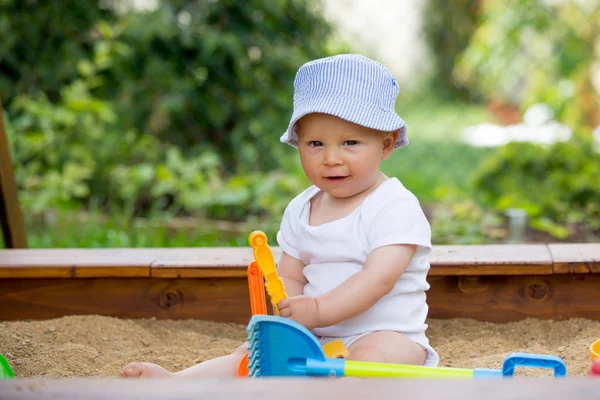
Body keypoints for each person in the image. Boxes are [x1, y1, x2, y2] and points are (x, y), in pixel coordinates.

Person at [121, 54, 439, 379]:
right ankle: (179, 382)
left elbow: (378, 280)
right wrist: (289, 312)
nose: (331, 158)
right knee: (251, 356)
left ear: (386, 145)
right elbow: (291, 276)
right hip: (315, 336)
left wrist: (316, 310)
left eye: (350, 143)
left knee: (365, 360)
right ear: (298, 142)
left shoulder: (394, 206)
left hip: (387, 336)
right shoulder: (302, 209)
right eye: (315, 143)